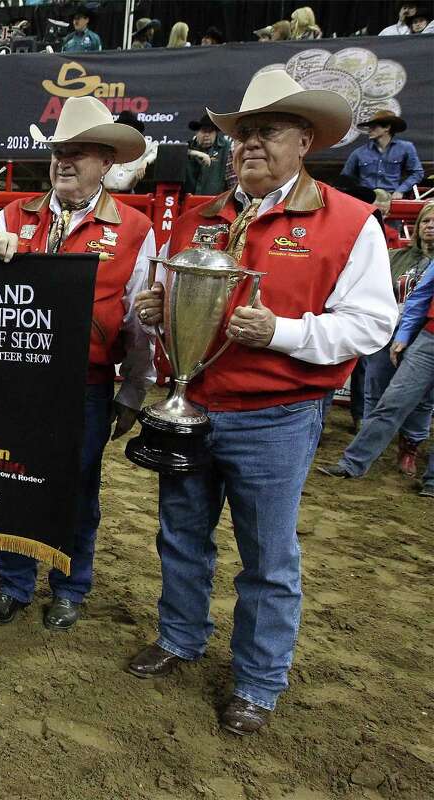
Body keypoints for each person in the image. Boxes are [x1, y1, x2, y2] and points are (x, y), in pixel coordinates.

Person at [126, 70, 396, 736]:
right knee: (181, 534)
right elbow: (171, 306)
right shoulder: (197, 217)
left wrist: (284, 332)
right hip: (194, 404)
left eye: (265, 131)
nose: (247, 143)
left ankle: (258, 681)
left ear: (303, 141)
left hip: (276, 415)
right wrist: (156, 312)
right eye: (241, 132)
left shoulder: (349, 221)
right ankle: (181, 635)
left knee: (269, 557)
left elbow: (371, 324)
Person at [0, 96, 155, 629]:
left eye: (79, 152)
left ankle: (69, 586)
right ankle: (15, 582)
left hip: (85, 384)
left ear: (106, 161)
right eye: (58, 151)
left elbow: (139, 320)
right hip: (15, 380)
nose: (64, 161)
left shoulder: (136, 230)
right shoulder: (12, 215)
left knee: (76, 491)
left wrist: (133, 391)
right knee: (9, 478)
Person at [322, 202, 433, 477]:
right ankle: (357, 459)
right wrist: (402, 333)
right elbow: (417, 297)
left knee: (416, 400)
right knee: (387, 394)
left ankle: (418, 463)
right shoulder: (395, 256)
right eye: (425, 222)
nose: (430, 227)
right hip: (407, 333)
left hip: (420, 334)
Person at [341, 111, 424, 200]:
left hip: (392, 198)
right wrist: (358, 193)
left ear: (387, 127)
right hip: (366, 200)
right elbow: (345, 178)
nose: (369, 130)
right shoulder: (359, 153)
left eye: (374, 126)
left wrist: (400, 190)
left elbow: (417, 173)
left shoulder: (406, 148)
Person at [103, 110, 156, 192]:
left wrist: (145, 162)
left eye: (130, 128)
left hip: (128, 194)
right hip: (106, 194)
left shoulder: (141, 145)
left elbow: (156, 149)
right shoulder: (109, 144)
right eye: (123, 127)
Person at [183, 114, 235, 196]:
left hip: (216, 203)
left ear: (215, 133)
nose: (206, 135)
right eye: (203, 131)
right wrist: (195, 153)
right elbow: (173, 154)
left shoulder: (227, 149)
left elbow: (233, 181)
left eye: (210, 131)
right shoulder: (187, 147)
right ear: (197, 132)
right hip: (188, 201)